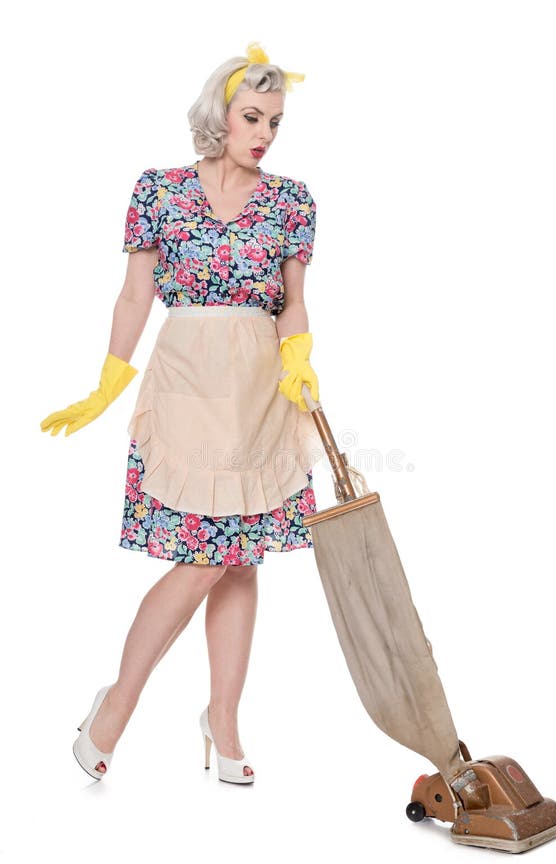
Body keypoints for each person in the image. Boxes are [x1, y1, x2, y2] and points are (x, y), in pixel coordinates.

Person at [39, 41, 325, 785]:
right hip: (186, 383)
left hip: (259, 391)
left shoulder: (292, 200)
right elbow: (136, 293)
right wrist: (108, 380)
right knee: (201, 555)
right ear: (219, 115)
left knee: (237, 560)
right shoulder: (158, 190)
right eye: (252, 116)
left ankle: (222, 721)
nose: (264, 133)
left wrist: (298, 357)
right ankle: (118, 704)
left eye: (275, 121)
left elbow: (292, 304)